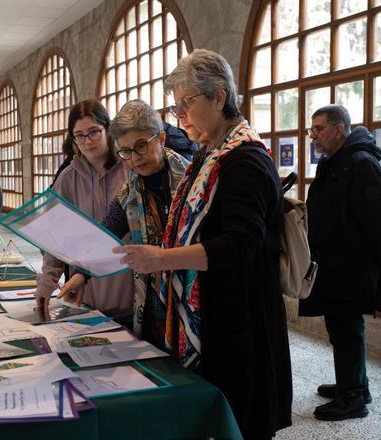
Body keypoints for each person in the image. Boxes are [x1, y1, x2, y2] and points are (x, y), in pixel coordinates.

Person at [113, 49, 292, 439]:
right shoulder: (208, 155)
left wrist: (161, 258)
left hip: (240, 316)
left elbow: (240, 245)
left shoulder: (244, 160)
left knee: (240, 420)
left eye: (187, 104)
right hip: (212, 312)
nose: (181, 117)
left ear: (219, 97)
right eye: (176, 108)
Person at [57, 99, 189, 347]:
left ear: (161, 139)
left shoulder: (190, 181)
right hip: (150, 300)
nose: (135, 158)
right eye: (125, 152)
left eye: (141, 146)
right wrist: (81, 276)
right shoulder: (130, 191)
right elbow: (106, 234)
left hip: (191, 296)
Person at [300, 104, 381, 421]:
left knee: (346, 329)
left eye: (318, 129)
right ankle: (355, 384)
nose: (313, 136)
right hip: (336, 265)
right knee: (341, 327)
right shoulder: (335, 161)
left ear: (338, 130)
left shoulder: (360, 163)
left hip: (352, 267)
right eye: (311, 129)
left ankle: (354, 398)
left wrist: (376, 265)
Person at [35, 99, 135, 323]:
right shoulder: (67, 179)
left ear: (107, 129)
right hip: (85, 294)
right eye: (79, 135)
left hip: (130, 292)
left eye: (93, 132)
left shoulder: (130, 169)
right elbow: (54, 237)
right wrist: (47, 282)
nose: (87, 141)